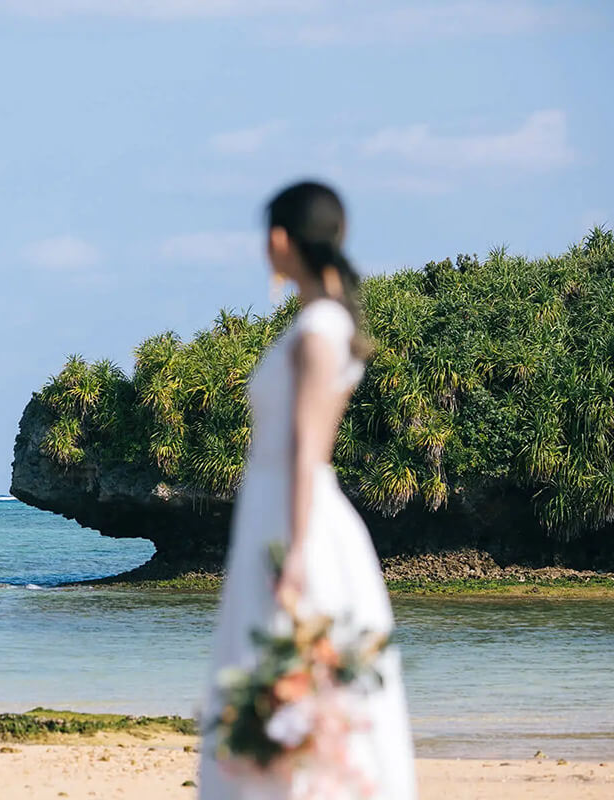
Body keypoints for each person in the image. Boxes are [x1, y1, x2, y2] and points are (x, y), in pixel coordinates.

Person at [199, 181, 418, 799]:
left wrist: (294, 551)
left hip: (293, 515)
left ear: (279, 239)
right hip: (277, 508)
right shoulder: (323, 319)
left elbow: (307, 449)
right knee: (280, 677)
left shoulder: (319, 327)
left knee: (290, 670)